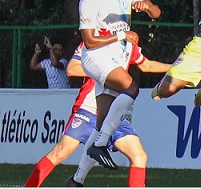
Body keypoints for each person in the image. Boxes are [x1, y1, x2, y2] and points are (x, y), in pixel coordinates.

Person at [24, 42, 171, 187]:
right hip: (88, 108)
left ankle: (76, 181)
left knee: (139, 156)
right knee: (61, 151)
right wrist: (101, 71)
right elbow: (72, 69)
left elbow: (147, 65)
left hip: (113, 113)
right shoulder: (93, 41)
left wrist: (175, 69)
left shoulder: (128, 45)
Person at [78, 0, 161, 170]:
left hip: (116, 61)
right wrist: (122, 35)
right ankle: (101, 144)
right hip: (95, 58)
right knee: (131, 87)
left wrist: (147, 7)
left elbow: (156, 12)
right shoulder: (89, 1)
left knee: (101, 122)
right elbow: (89, 41)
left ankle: (77, 179)